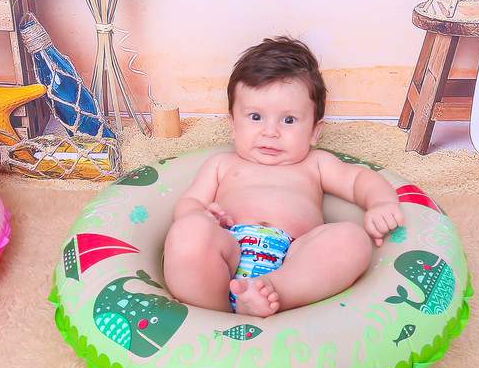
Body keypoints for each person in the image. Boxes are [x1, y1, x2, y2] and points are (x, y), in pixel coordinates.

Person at [162, 36, 404, 317]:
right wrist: (201, 216)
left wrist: (381, 203)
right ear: (233, 124)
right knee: (188, 231)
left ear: (314, 131)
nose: (270, 132)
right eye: (255, 117)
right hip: (225, 256)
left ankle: (272, 292)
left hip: (293, 260)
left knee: (353, 239)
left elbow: (359, 180)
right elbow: (190, 202)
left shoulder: (316, 164)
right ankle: (213, 313)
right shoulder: (222, 164)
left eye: (288, 120)